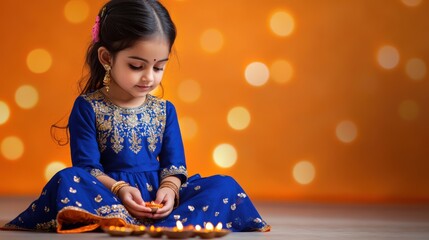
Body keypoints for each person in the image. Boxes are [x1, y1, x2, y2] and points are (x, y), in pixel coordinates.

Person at [1, 0, 270, 233]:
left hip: (158, 198)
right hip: (108, 195)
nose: (149, 77)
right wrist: (119, 189)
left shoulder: (164, 110)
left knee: (223, 185)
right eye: (136, 66)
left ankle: (160, 221)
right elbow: (87, 169)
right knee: (67, 179)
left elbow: (175, 166)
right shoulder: (88, 107)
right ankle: (123, 218)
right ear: (107, 58)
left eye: (159, 66)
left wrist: (169, 190)